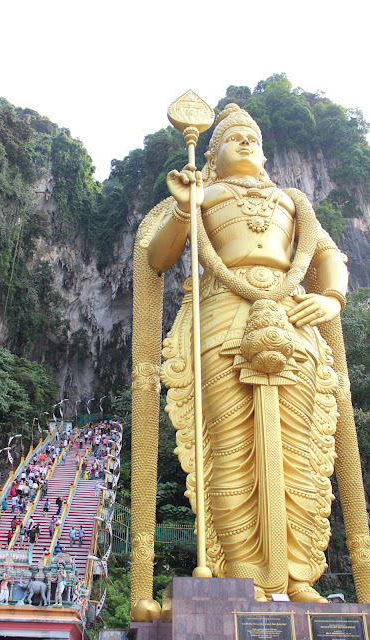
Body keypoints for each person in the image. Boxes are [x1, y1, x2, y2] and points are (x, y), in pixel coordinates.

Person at [132, 103, 352, 605]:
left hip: (292, 316)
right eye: (234, 139)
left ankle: (298, 576)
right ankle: (245, 576)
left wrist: (332, 296)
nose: (246, 143)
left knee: (299, 449)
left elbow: (326, 254)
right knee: (229, 449)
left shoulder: (293, 201)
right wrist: (185, 209)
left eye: (253, 138)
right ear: (214, 155)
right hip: (222, 319)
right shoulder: (201, 193)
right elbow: (159, 257)